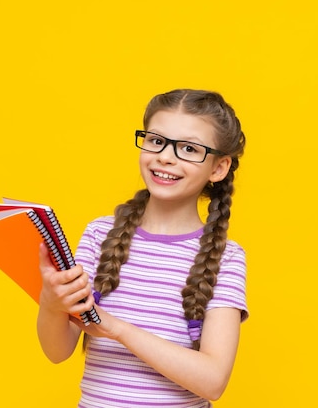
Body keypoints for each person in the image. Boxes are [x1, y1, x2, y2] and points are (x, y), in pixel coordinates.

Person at [37, 89, 248, 408]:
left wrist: (117, 329)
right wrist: (51, 304)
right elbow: (57, 352)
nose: (165, 156)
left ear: (218, 169)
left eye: (189, 148)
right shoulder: (99, 235)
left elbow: (213, 381)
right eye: (156, 140)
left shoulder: (226, 258)